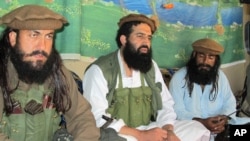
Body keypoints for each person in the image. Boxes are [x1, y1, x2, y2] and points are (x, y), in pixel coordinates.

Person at [82, 13, 210, 141]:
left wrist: (168, 131)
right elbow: (97, 116)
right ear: (124, 40)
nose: (146, 42)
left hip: (148, 128)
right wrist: (140, 135)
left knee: (197, 128)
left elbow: (165, 103)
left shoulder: (150, 67)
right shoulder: (99, 70)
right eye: (140, 36)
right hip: (119, 133)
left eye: (149, 38)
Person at [0, 5, 100, 141]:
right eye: (34, 35)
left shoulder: (57, 73)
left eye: (48, 36)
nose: (42, 46)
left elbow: (81, 116)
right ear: (13, 38)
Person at [169, 38, 250, 140]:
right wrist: (202, 122)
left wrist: (224, 119)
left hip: (221, 128)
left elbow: (229, 102)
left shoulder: (220, 77)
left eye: (211, 58)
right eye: (201, 56)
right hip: (192, 129)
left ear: (216, 60)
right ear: (194, 55)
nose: (205, 62)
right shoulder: (179, 77)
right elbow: (177, 110)